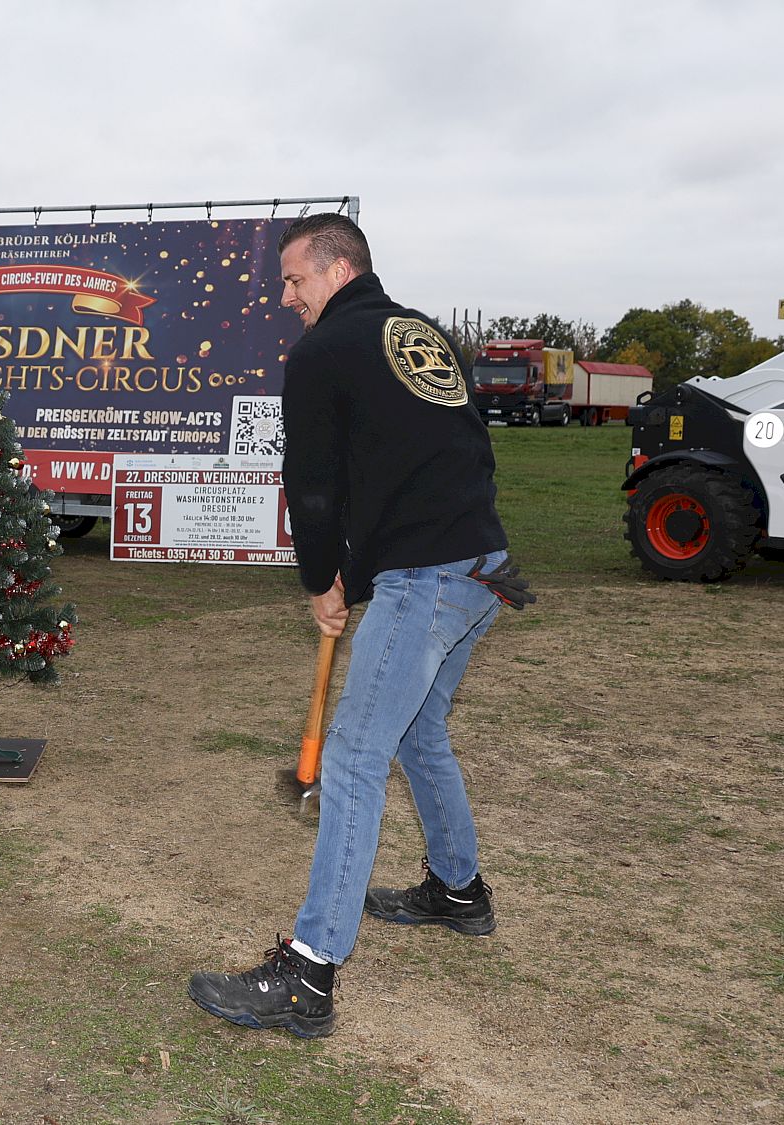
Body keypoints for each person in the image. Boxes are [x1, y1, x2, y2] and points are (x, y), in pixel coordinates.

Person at [188, 214, 533, 1037]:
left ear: (338, 271)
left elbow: (310, 483)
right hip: (483, 565)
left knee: (350, 758)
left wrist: (320, 580)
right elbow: (431, 459)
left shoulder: (321, 353)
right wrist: (359, 567)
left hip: (430, 578)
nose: (285, 296)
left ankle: (308, 975)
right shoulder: (420, 335)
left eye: (295, 279)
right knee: (417, 735)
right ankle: (456, 888)